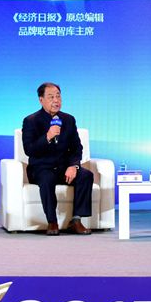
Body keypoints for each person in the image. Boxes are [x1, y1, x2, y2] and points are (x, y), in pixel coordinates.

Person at [21, 82, 93, 236]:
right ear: (41, 100)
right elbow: (29, 150)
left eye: (58, 96)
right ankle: (52, 221)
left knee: (86, 175)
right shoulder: (30, 121)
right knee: (46, 179)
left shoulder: (68, 120)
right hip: (41, 168)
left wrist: (73, 166)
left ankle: (76, 220)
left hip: (63, 168)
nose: (56, 100)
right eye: (51, 97)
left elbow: (77, 148)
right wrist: (47, 136)